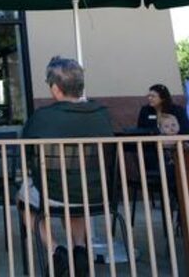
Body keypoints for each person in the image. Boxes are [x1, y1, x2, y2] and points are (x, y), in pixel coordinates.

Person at [21, 56, 114, 277]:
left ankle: (55, 251)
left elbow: (27, 156)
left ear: (55, 88)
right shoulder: (103, 115)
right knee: (74, 194)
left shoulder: (42, 118)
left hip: (54, 192)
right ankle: (80, 249)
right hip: (98, 192)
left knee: (23, 198)